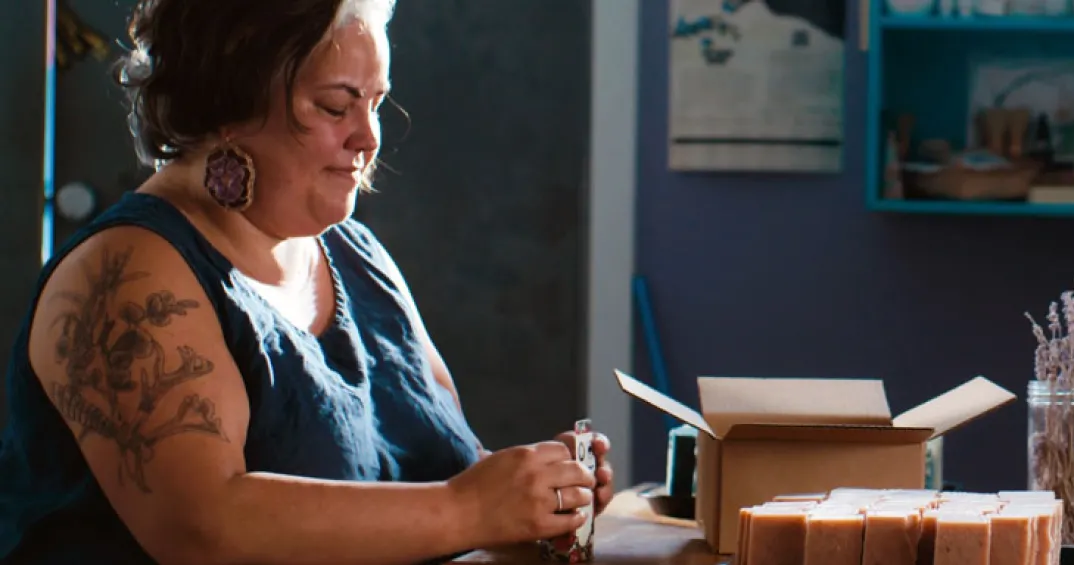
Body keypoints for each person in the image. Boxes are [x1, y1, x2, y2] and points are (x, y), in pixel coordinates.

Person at [0, 1, 617, 563]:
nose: (368, 139)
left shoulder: (358, 256)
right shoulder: (127, 277)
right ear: (227, 100)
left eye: (375, 103)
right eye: (334, 106)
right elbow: (199, 530)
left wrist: (536, 496)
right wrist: (471, 508)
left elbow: (446, 477)